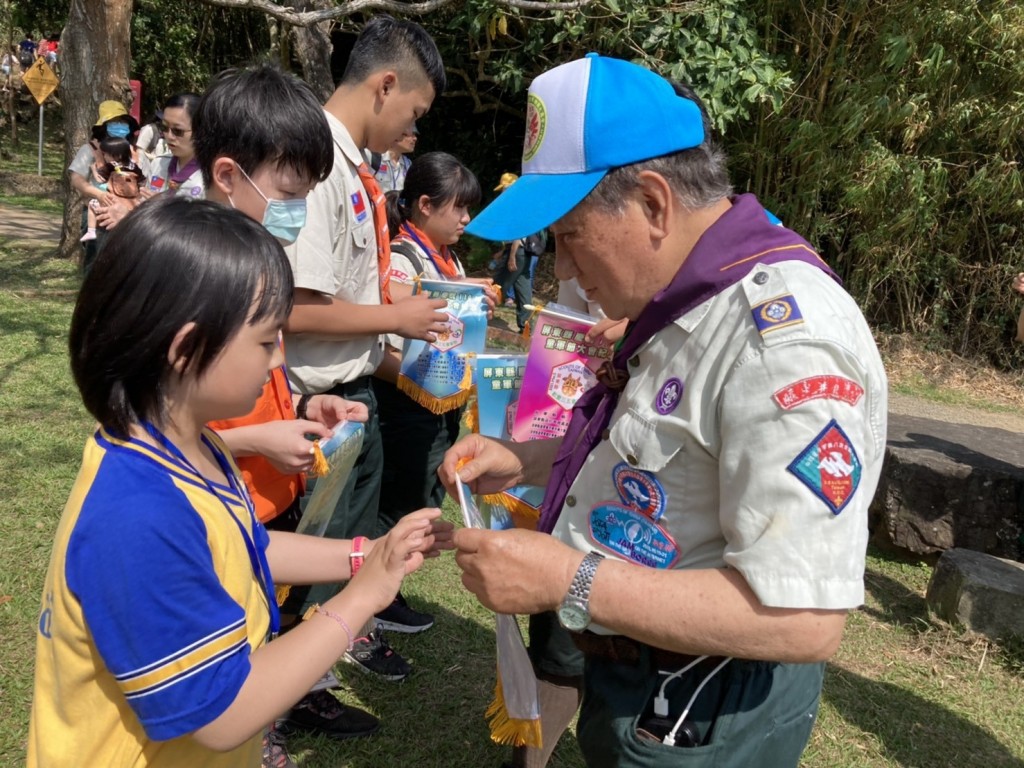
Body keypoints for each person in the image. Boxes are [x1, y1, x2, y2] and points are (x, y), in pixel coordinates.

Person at [442, 54, 888, 768]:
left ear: (653, 202)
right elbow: (662, 446)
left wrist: (568, 581)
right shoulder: (688, 300)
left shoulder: (780, 342)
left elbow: (803, 618)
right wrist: (525, 459)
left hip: (704, 704)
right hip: (643, 678)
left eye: (569, 236)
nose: (562, 269)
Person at [28, 197, 453, 768]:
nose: (279, 359)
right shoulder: (137, 516)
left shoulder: (190, 448)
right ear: (186, 350)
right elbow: (223, 711)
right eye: (263, 340)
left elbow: (246, 546)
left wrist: (368, 554)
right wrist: (361, 598)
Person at [192, 63, 381, 754]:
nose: (296, 209)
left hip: (258, 503)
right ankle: (258, 729)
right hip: (217, 500)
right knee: (224, 654)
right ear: (226, 174)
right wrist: (252, 441)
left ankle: (270, 720)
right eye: (288, 192)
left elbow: (258, 381)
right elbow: (156, 430)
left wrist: (305, 401)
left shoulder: (253, 261)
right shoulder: (191, 279)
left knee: (258, 623)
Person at [282, 15, 448, 684]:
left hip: (356, 392)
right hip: (322, 399)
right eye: (414, 108)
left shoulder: (356, 172)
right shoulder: (315, 165)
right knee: (313, 545)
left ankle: (333, 650)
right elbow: (293, 305)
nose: (414, 124)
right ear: (385, 85)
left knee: (348, 541)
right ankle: (302, 681)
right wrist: (394, 317)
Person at [375, 152, 494, 634]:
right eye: (458, 208)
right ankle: (377, 595)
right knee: (398, 502)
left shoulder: (447, 257)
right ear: (425, 205)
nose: (466, 219)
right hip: (406, 404)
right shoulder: (402, 261)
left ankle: (390, 589)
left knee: (423, 495)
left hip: (439, 403)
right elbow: (385, 340)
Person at [68, 100, 139, 271]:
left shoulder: (133, 151)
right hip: (99, 214)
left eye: (123, 122)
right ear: (103, 126)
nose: (120, 126)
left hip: (128, 213)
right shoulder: (90, 149)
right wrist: (98, 194)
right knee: (96, 263)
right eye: (115, 122)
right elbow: (76, 179)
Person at [372, 126, 416, 193]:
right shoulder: (375, 157)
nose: (415, 138)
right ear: (396, 135)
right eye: (411, 134)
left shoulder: (408, 164)